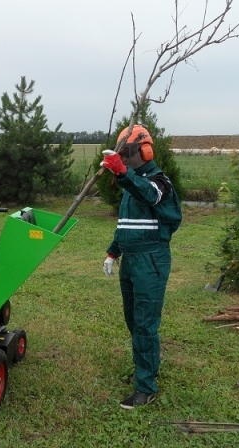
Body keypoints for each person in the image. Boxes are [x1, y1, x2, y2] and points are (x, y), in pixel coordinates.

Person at [100, 125, 182, 409]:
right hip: (131, 259)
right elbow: (127, 226)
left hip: (151, 260)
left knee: (146, 325)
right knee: (134, 320)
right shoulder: (130, 184)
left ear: (145, 151)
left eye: (130, 153)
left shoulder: (159, 183)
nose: (127, 159)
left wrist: (123, 173)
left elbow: (148, 195)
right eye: (124, 155)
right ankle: (148, 366)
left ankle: (145, 388)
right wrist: (113, 251)